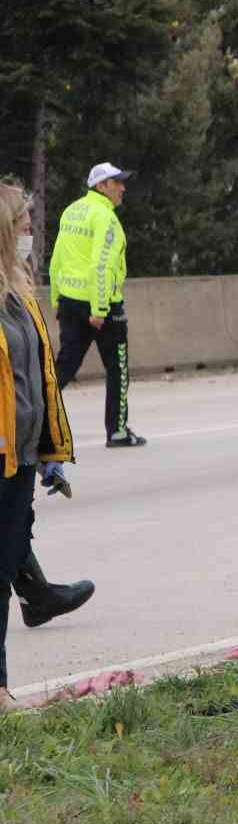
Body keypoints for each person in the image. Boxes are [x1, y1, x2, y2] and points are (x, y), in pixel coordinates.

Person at [0, 184, 76, 710]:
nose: (31, 230)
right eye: (24, 222)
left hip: (21, 459)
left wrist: (50, 451)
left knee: (3, 576)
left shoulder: (20, 292)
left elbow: (40, 376)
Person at [50, 162, 143, 448]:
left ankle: (29, 421)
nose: (122, 188)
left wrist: (56, 299)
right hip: (101, 307)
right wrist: (100, 310)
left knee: (64, 365)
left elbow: (57, 259)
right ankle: (116, 431)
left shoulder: (71, 211)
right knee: (118, 367)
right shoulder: (105, 217)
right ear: (101, 186)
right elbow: (100, 265)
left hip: (69, 301)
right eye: (117, 183)